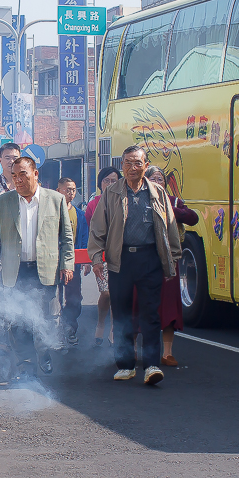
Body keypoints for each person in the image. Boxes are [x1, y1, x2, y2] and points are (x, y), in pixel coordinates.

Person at [88, 146, 181, 386]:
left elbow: (170, 226)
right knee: (121, 313)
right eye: (127, 163)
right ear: (122, 166)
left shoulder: (158, 192)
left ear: (145, 164)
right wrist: (97, 258)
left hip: (150, 259)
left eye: (137, 163)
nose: (132, 168)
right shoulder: (112, 194)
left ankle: (151, 365)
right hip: (121, 260)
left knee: (151, 313)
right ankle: (126, 365)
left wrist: (173, 258)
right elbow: (98, 228)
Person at [0, 156, 74, 378]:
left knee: (46, 316)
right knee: (18, 320)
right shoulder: (4, 202)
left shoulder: (55, 199)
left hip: (45, 270)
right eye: (14, 175)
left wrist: (67, 264)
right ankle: (25, 362)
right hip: (15, 271)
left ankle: (44, 353)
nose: (18, 180)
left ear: (35, 174)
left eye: (23, 174)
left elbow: (66, 237)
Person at [146, 165, 199, 367]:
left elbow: (192, 218)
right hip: (145, 259)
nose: (158, 182)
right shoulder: (139, 200)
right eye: (154, 178)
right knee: (141, 305)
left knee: (168, 306)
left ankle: (167, 352)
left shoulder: (173, 201)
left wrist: (168, 207)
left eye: (161, 179)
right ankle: (133, 349)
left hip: (169, 260)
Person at [84, 166, 121, 347]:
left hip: (121, 255)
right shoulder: (94, 204)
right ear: (100, 183)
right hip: (102, 255)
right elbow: (92, 233)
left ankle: (114, 329)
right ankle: (100, 322)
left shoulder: (124, 201)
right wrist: (93, 259)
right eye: (107, 180)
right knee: (106, 293)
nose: (110, 184)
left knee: (117, 294)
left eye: (114, 180)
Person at [56, 177, 88, 347]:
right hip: (53, 263)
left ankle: (70, 329)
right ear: (58, 190)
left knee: (74, 298)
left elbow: (84, 239)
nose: (70, 193)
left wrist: (86, 261)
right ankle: (56, 332)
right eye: (67, 189)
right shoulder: (51, 212)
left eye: (73, 189)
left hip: (73, 263)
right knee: (55, 299)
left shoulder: (80, 214)